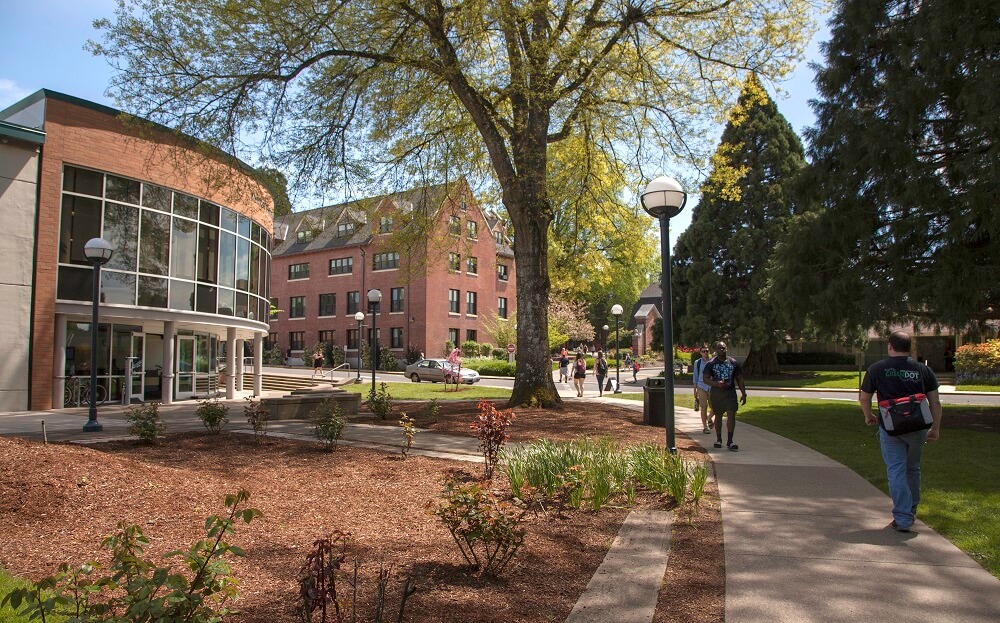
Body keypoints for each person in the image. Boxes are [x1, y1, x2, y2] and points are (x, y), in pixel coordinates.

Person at [859, 331, 942, 533]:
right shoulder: (923, 370)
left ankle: (903, 518)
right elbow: (935, 403)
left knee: (896, 470)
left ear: (890, 346)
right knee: (912, 469)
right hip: (917, 427)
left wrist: (868, 415)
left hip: (890, 427)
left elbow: (864, 397)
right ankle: (910, 511)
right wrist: (936, 428)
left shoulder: (877, 369)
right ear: (910, 348)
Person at [703, 341, 747, 451]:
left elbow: (740, 378)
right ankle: (719, 439)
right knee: (718, 416)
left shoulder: (733, 363)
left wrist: (743, 393)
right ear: (716, 350)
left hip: (730, 393)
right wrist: (717, 384)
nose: (722, 350)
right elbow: (705, 379)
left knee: (731, 415)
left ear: (726, 349)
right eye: (719, 348)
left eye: (723, 348)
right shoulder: (711, 363)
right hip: (717, 394)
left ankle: (730, 441)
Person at [691, 345, 716, 434]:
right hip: (701, 386)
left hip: (711, 386)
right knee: (704, 407)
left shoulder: (713, 361)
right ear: (701, 353)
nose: (706, 353)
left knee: (714, 407)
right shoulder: (697, 363)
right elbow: (695, 377)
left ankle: (709, 419)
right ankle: (705, 427)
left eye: (707, 351)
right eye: (704, 351)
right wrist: (695, 390)